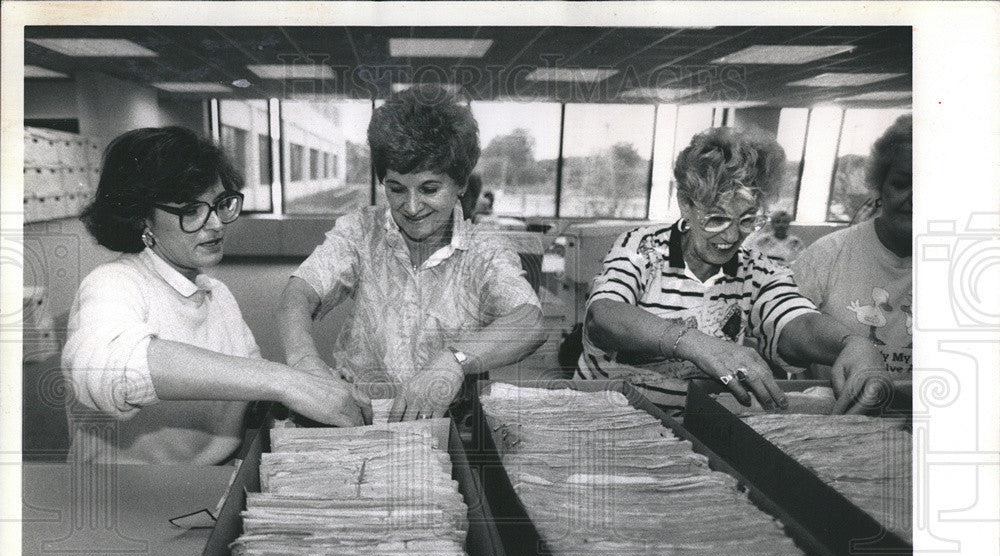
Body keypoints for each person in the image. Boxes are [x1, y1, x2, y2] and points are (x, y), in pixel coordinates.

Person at [63, 126, 365, 465]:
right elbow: (103, 369)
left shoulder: (216, 294)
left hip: (209, 485)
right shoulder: (113, 282)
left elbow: (246, 386)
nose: (216, 224)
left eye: (220, 204)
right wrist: (285, 380)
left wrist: (313, 385)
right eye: (191, 210)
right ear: (142, 218)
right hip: (129, 497)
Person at [576, 126, 887, 414]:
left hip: (690, 427)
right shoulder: (644, 247)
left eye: (747, 220)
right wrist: (694, 343)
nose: (730, 237)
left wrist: (851, 343)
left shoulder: (756, 271)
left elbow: (797, 322)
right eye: (716, 218)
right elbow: (603, 317)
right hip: (606, 412)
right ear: (686, 203)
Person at [279, 87, 545, 422]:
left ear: (461, 184)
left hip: (447, 421)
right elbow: (298, 294)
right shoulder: (361, 232)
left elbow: (529, 322)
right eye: (396, 189)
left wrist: (454, 361)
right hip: (360, 414)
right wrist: (305, 362)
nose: (412, 207)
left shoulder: (486, 252)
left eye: (430, 189)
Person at [792, 114, 912, 376]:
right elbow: (780, 338)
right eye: (902, 184)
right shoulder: (827, 256)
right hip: (834, 412)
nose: (915, 198)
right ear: (880, 186)